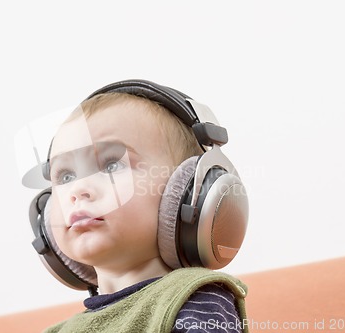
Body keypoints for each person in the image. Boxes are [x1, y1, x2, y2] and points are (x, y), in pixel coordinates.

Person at [32, 80, 249, 333]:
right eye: (66, 176)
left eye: (111, 166)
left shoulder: (192, 299)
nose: (78, 190)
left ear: (184, 193)